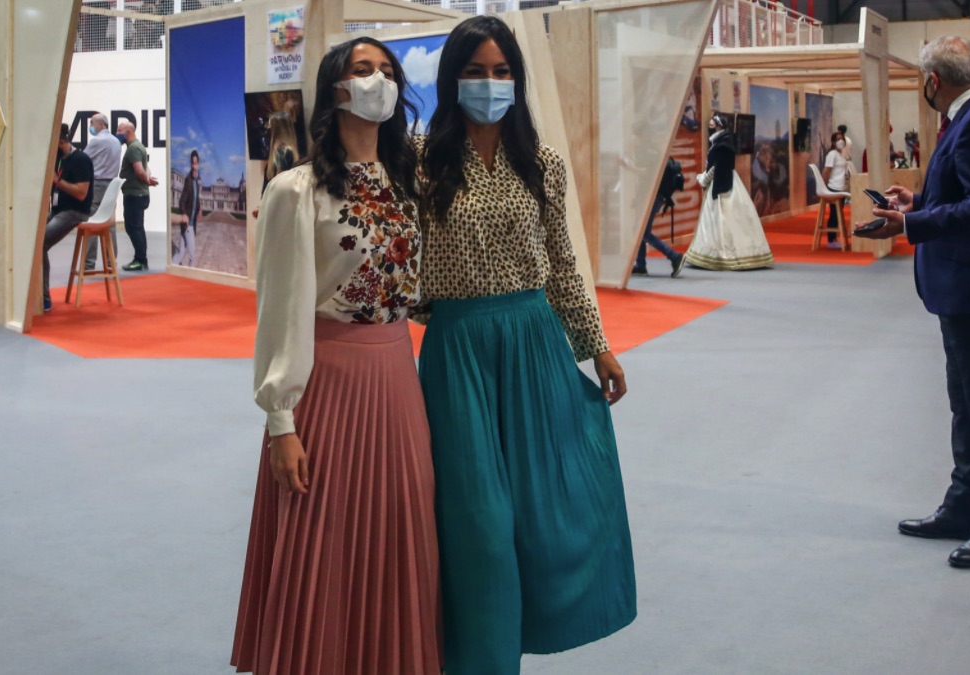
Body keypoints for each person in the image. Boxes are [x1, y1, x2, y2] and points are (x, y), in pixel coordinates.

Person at [414, 16, 636, 674]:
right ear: (454, 80)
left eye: (502, 70)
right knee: (479, 525)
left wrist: (597, 345)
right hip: (458, 356)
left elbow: (563, 262)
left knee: (544, 518)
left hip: (535, 345)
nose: (490, 82)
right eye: (477, 71)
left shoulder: (541, 164)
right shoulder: (424, 165)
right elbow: (402, 267)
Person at [231, 37, 441, 675]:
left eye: (387, 71)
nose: (378, 79)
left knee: (398, 528)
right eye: (362, 69)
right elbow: (281, 310)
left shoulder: (406, 186)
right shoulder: (295, 191)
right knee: (322, 536)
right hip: (330, 385)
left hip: (398, 380)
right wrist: (281, 422)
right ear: (336, 87)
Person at [856, 36, 970, 569]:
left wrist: (908, 223)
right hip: (969, 287)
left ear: (933, 81)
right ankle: (963, 506)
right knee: (968, 404)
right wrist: (920, 202)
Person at [684, 115, 774, 270]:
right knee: (729, 219)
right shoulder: (722, 143)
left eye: (712, 123)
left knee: (722, 220)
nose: (709, 125)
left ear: (718, 126)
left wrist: (703, 179)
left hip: (722, 184)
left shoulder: (722, 145)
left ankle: (722, 254)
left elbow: (715, 168)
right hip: (727, 181)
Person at [42, 123, 95, 311]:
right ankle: (36, 294)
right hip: (57, 210)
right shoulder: (58, 158)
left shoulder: (81, 160)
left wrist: (57, 181)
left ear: (61, 142)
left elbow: (81, 193)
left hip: (74, 211)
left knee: (39, 244)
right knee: (32, 241)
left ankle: (43, 298)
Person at [632, 157, 686, 277]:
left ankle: (674, 256)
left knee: (642, 232)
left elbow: (647, 174)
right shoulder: (655, 152)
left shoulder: (649, 153)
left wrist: (626, 165)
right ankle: (640, 265)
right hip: (658, 197)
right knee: (640, 230)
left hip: (653, 197)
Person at [116, 120, 157, 271]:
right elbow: (147, 169)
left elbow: (140, 170)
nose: (117, 133)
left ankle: (140, 260)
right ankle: (140, 258)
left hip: (135, 194)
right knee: (137, 227)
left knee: (133, 227)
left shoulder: (133, 149)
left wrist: (147, 181)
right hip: (139, 193)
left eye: (119, 130)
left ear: (128, 132)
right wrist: (148, 180)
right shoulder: (138, 146)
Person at [83, 113, 122, 269]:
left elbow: (83, 160)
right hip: (112, 185)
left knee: (92, 222)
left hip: (97, 185)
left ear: (100, 124)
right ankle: (110, 261)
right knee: (109, 224)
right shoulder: (116, 142)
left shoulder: (96, 141)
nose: (91, 126)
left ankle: (89, 262)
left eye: (92, 123)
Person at [821, 130, 850, 249]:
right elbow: (826, 171)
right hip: (834, 188)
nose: (841, 141)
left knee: (838, 214)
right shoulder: (832, 154)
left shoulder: (841, 154)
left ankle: (834, 238)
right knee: (834, 214)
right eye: (838, 139)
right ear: (833, 142)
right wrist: (823, 187)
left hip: (841, 188)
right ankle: (831, 239)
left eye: (842, 138)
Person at [173, 150, 200, 267]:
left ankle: (172, 268)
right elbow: (182, 201)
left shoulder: (196, 182)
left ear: (198, 164)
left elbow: (195, 199)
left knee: (180, 253)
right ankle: (190, 279)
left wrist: (199, 209)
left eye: (195, 163)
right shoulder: (189, 181)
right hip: (187, 224)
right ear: (191, 164)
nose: (194, 166)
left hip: (191, 223)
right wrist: (184, 216)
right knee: (193, 257)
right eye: (192, 163)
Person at [261, 111, 298, 195]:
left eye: (269, 127)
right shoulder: (285, 152)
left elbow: (279, 190)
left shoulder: (282, 153)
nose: (266, 131)